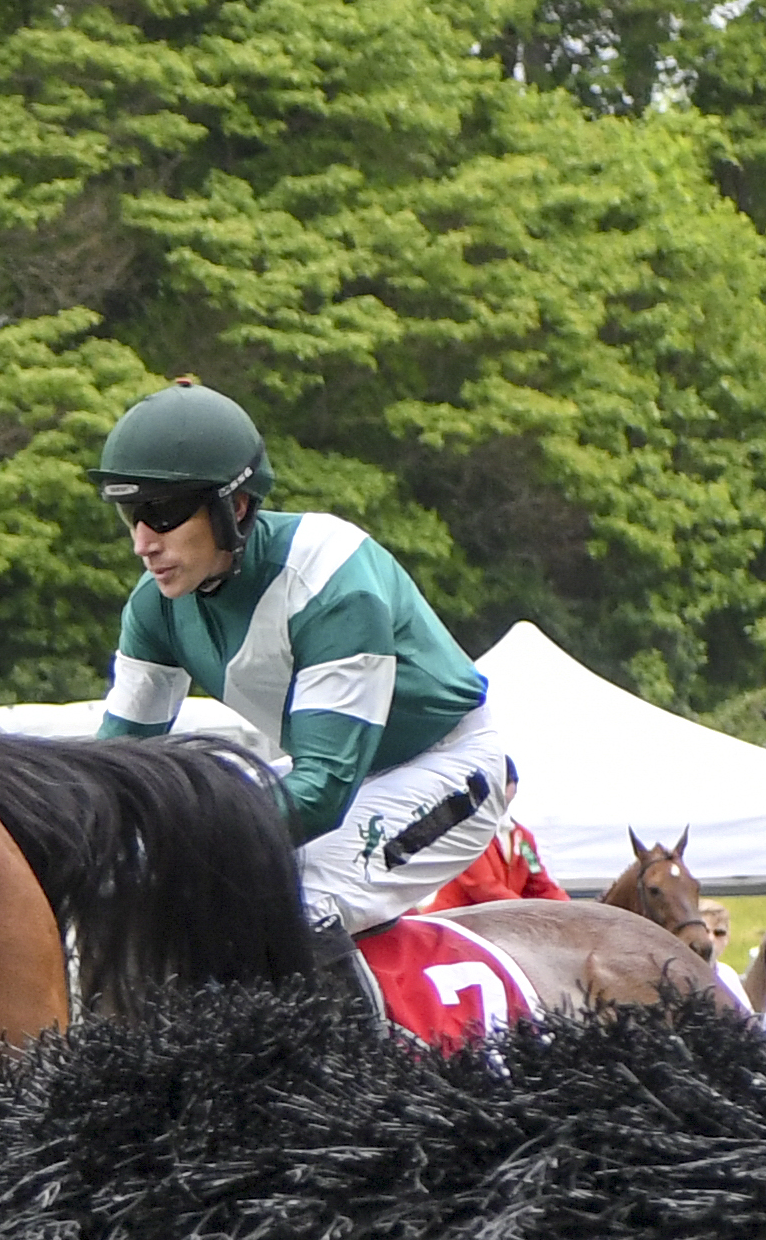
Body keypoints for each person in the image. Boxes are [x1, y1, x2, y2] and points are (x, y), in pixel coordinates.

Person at [91, 380, 507, 943]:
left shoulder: (331, 577)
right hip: (341, 778)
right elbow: (114, 768)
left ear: (234, 507)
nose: (143, 543)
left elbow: (323, 791)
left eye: (161, 514)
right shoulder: (153, 607)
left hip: (448, 765)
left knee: (283, 911)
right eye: (130, 515)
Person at [423, 767, 567, 910]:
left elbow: (540, 885)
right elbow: (483, 887)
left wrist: (570, 909)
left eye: (505, 783)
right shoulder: (466, 833)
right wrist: (526, 911)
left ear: (515, 787)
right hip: (454, 925)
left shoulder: (523, 837)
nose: (499, 791)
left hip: (500, 922)